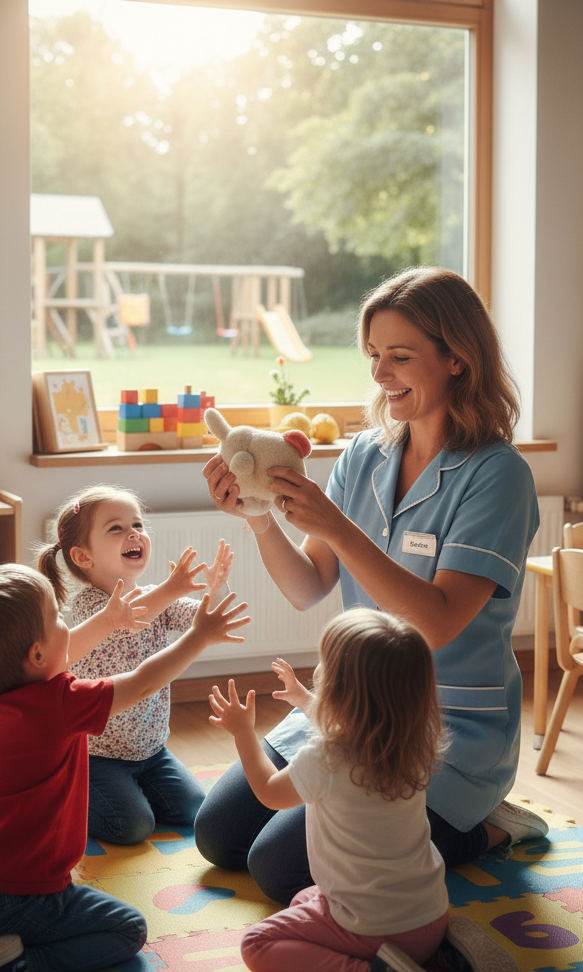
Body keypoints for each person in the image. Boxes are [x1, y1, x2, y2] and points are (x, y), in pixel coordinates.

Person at [198, 266, 546, 906]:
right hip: (348, 708)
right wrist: (257, 516)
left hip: (446, 726)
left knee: (277, 867)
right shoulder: (363, 456)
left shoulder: (499, 477)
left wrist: (337, 525)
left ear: (457, 361)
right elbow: (307, 588)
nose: (381, 375)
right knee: (218, 834)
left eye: (401, 358)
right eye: (375, 357)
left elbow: (436, 623)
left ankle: (487, 827)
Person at [0, 563, 248, 972]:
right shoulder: (60, 703)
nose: (67, 625)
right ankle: (15, 965)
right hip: (13, 901)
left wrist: (107, 621)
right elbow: (142, 682)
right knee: (128, 930)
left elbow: (56, 653)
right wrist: (198, 636)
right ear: (37, 655)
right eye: (58, 619)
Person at [210, 609, 521, 972]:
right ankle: (442, 946)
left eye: (326, 667)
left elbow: (269, 793)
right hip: (430, 913)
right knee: (307, 897)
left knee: (257, 945)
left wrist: (243, 733)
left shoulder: (324, 758)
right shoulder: (418, 744)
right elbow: (362, 720)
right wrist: (306, 700)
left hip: (372, 931)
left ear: (341, 692)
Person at [36, 484, 233, 845]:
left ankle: (134, 788)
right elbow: (131, 617)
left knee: (195, 810)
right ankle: (66, 795)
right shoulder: (90, 607)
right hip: (98, 756)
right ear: (83, 557)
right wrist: (172, 590)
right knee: (131, 827)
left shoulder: (150, 596)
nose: (134, 533)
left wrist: (215, 590)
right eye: (116, 528)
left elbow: (200, 621)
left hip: (151, 750)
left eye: (138, 525)